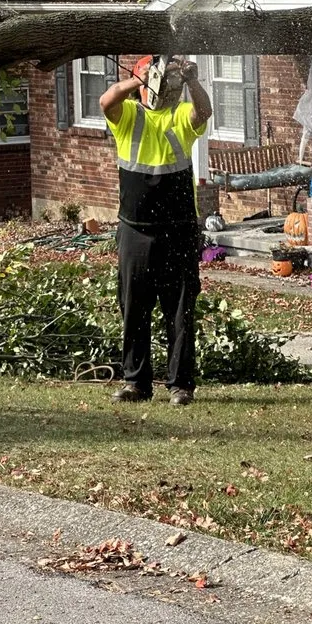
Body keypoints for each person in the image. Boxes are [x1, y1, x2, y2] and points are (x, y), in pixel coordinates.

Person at [99, 55, 212, 406]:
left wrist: (193, 81)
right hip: (135, 229)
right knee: (134, 308)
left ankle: (181, 385)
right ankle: (136, 383)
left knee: (180, 310)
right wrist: (139, 79)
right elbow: (107, 100)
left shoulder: (180, 116)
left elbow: (202, 112)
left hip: (177, 230)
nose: (165, 88)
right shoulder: (129, 117)